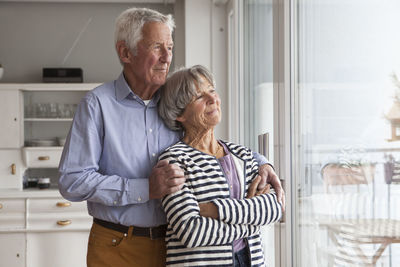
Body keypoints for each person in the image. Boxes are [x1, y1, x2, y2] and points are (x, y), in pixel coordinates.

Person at [58, 7, 284, 267]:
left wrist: (263, 163)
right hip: (119, 244)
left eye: (170, 47)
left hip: (177, 248)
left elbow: (215, 146)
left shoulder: (179, 100)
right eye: (156, 47)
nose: (167, 57)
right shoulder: (97, 105)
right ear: (125, 52)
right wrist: (145, 189)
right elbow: (72, 180)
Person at [158, 65, 282, 266]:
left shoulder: (243, 154)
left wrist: (216, 210)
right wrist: (251, 223)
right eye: (199, 96)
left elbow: (274, 208)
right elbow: (192, 232)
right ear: (179, 114)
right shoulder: (174, 160)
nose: (212, 99)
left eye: (212, 90)